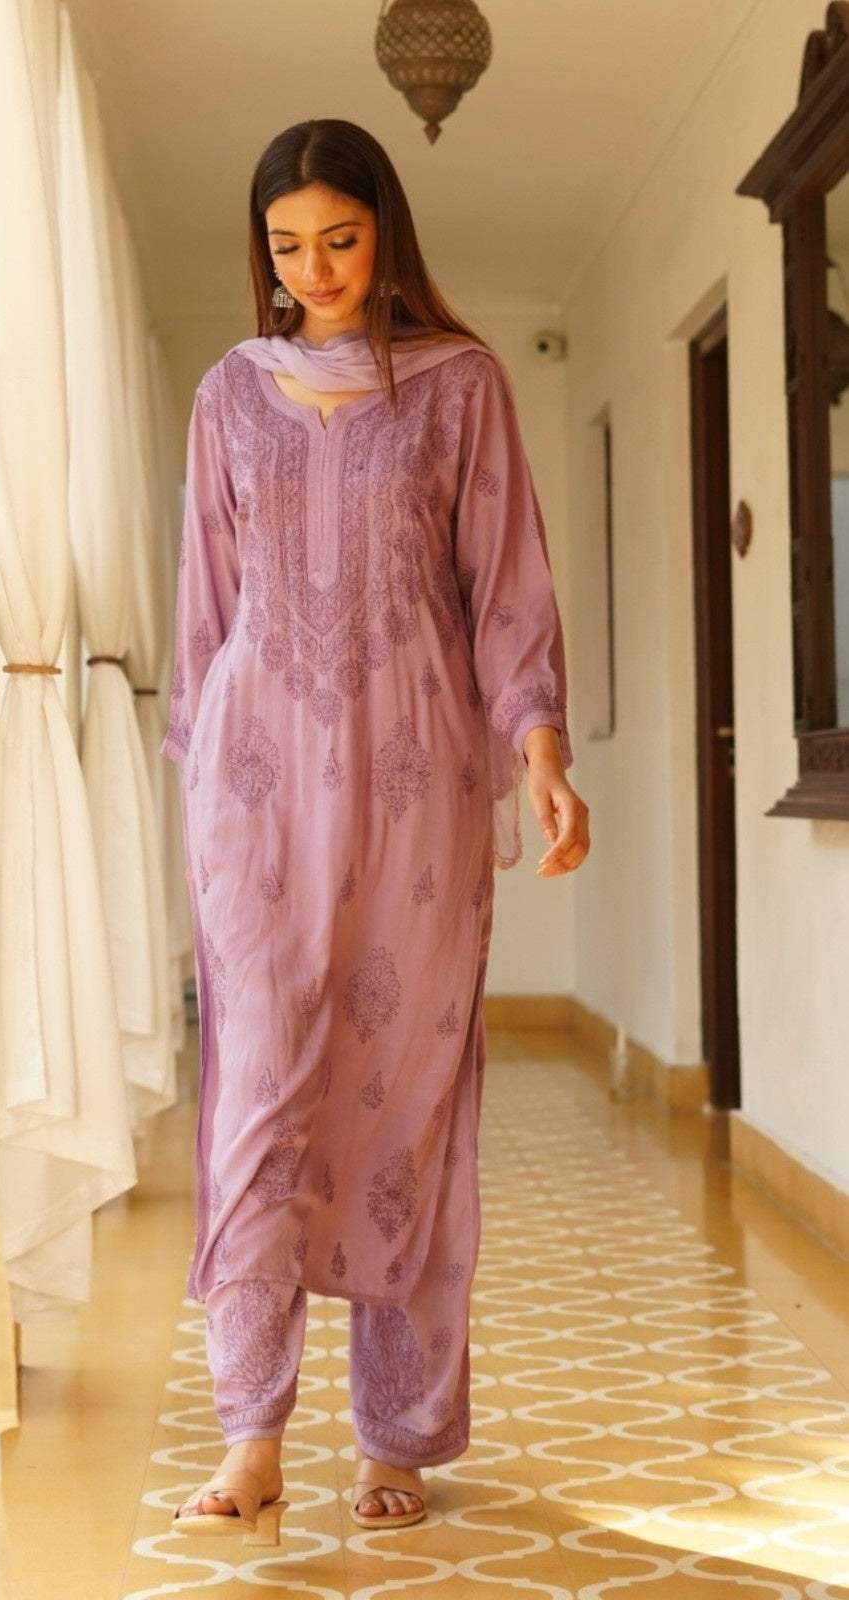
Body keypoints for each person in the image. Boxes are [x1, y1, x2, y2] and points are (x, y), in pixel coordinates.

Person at [161, 117, 589, 1545]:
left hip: (416, 793)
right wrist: (191, 791)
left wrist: (541, 758)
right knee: (259, 1092)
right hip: (257, 791)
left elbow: (507, 586)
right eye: (288, 246)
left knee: (409, 1094)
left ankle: (395, 1432)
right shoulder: (230, 393)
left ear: (386, 232)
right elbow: (202, 616)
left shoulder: (462, 385)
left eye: (340, 237)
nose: (316, 268)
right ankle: (253, 1429)